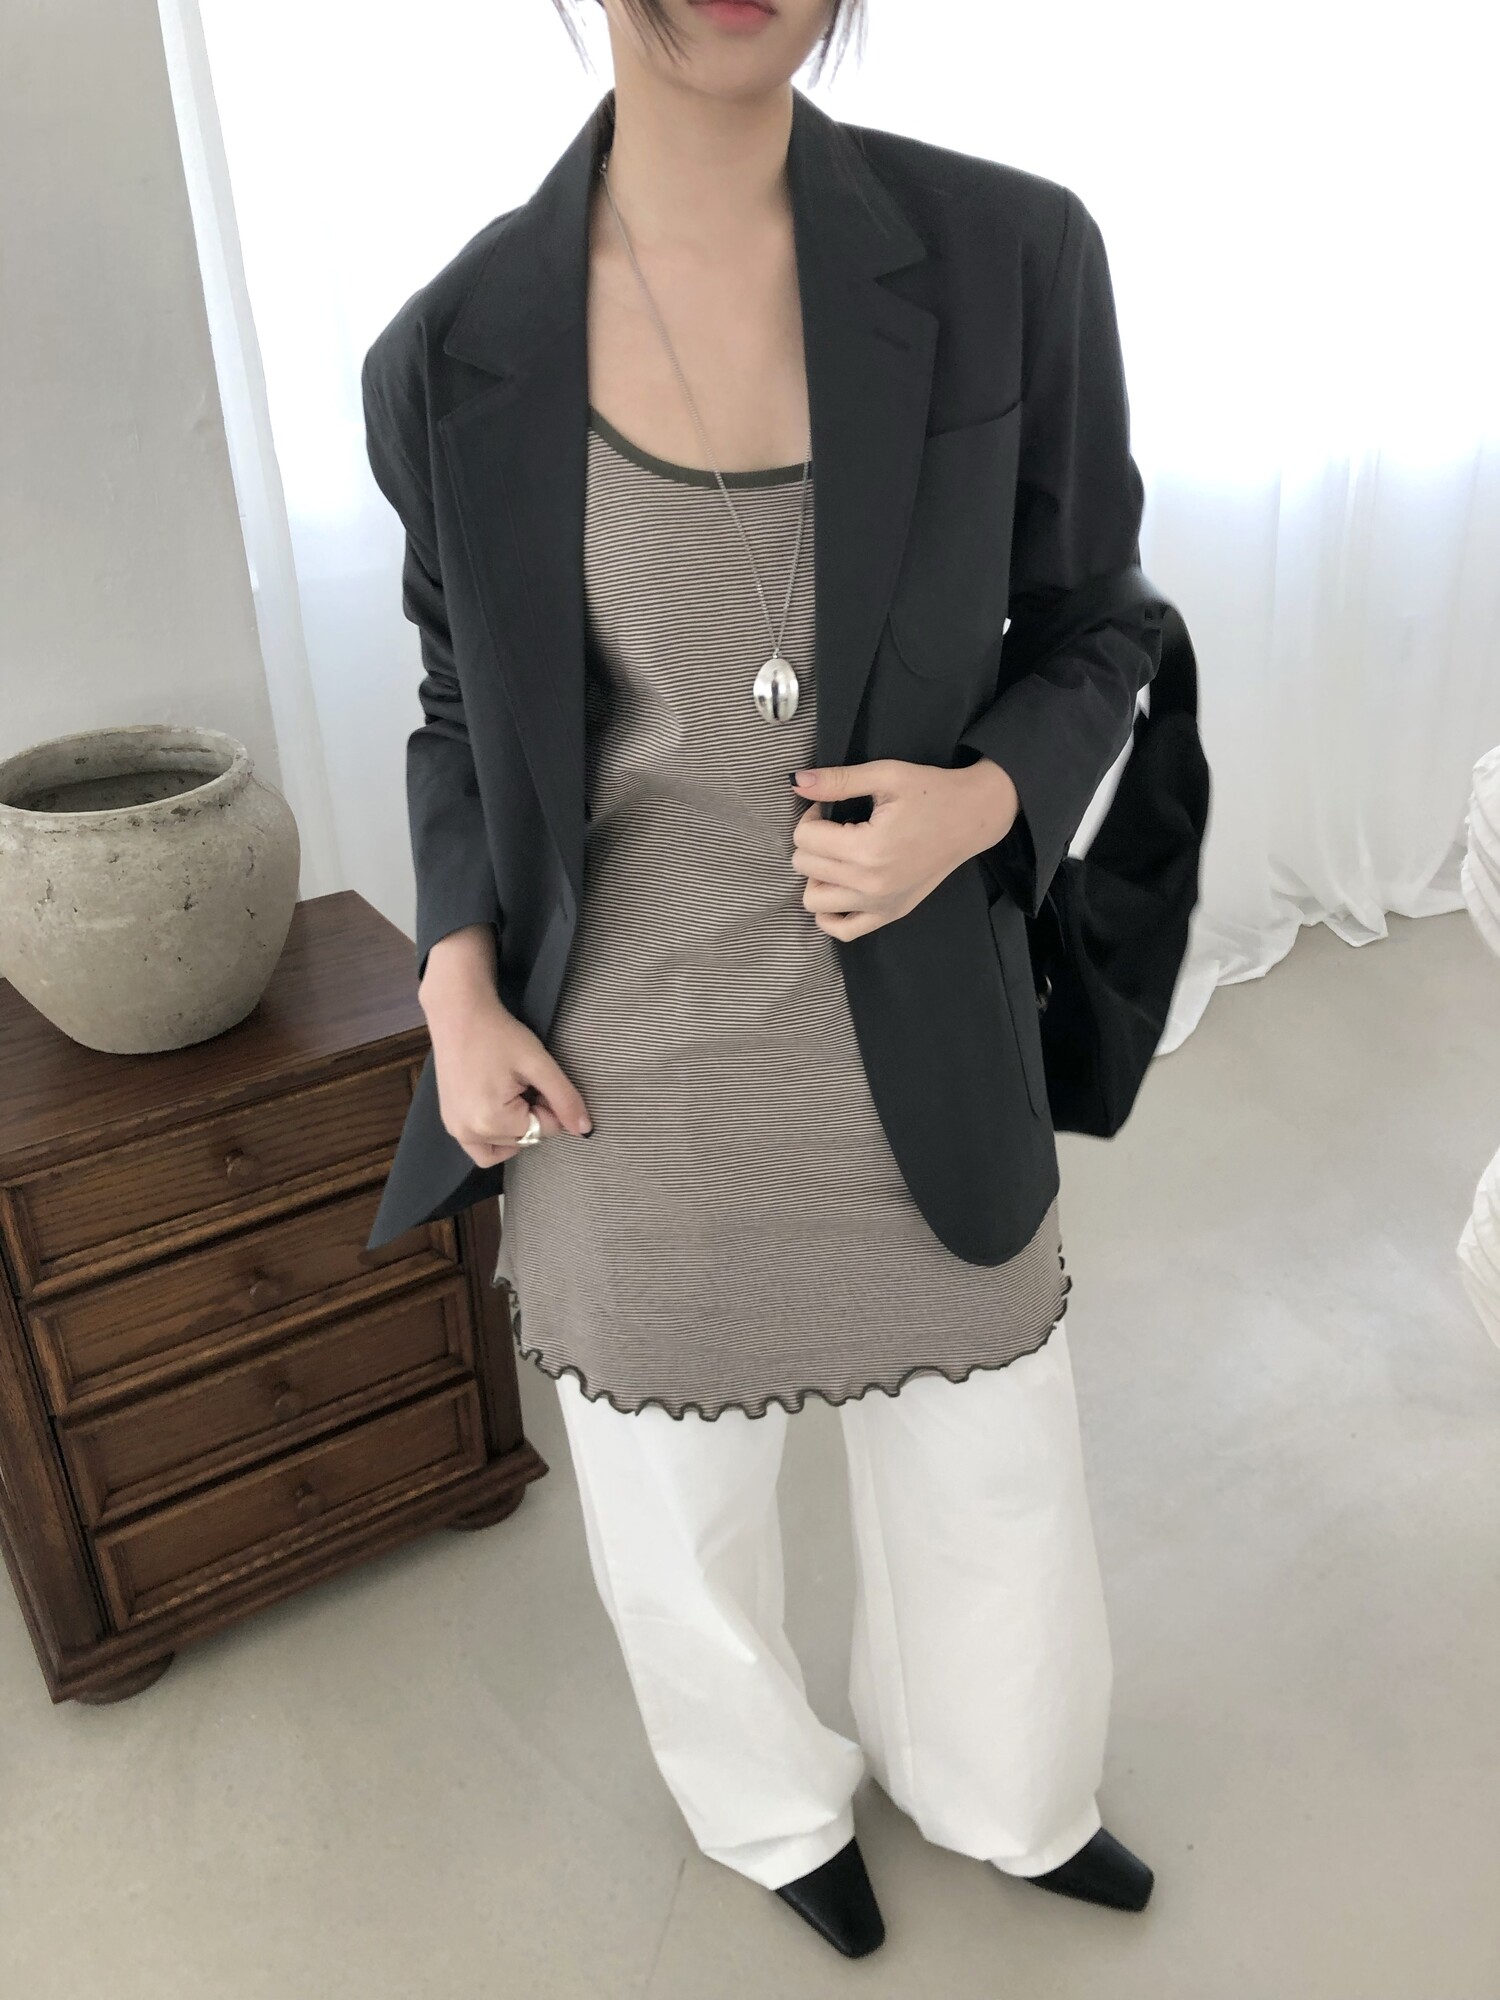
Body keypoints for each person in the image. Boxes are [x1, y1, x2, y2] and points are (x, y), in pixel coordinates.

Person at [365, 0, 1159, 1959]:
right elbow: (462, 706)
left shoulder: (1012, 255)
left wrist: (985, 802)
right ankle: (768, 1807)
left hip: (923, 1033)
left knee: (995, 1472)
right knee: (678, 1518)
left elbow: (1099, 620)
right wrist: (455, 983)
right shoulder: (450, 351)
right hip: (628, 1072)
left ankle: (1002, 1789)